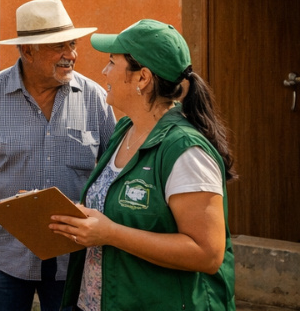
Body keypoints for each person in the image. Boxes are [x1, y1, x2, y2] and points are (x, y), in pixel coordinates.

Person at [52, 20, 235, 311]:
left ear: (142, 78)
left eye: (112, 62)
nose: (104, 71)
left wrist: (110, 233)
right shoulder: (125, 129)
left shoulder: (185, 150)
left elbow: (208, 254)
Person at [0, 0, 115, 311]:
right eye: (59, 46)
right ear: (27, 50)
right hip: (2, 256)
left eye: (73, 44)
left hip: (73, 257)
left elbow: (115, 170)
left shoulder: (95, 98)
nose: (71, 55)